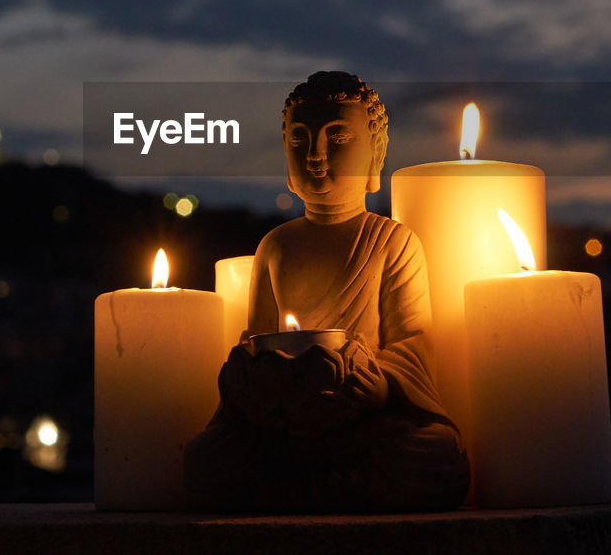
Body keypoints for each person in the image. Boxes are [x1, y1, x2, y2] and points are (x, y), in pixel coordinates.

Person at [184, 72, 469, 512]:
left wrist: (381, 384)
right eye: (300, 139)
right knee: (206, 462)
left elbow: (413, 340)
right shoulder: (275, 246)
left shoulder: (393, 242)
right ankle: (329, 489)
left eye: (337, 138)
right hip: (283, 423)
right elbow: (255, 340)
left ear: (375, 154)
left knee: (437, 457)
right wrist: (256, 384)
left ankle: (297, 493)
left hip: (365, 418)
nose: (316, 155)